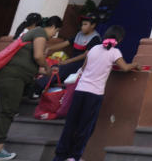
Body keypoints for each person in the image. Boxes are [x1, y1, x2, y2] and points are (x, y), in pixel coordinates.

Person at [0, 15, 63, 160]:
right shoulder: (40, 33)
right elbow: (38, 56)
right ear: (53, 26)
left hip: (8, 76)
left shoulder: (32, 34)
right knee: (7, 112)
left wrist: (44, 71)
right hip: (13, 78)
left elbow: (28, 63)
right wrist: (47, 67)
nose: (54, 34)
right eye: (56, 31)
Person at [52, 25, 136, 161]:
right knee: (85, 127)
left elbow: (84, 68)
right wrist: (135, 65)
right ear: (119, 39)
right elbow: (125, 68)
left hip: (80, 90)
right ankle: (74, 156)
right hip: (94, 94)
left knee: (71, 124)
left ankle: (60, 156)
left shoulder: (93, 49)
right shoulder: (115, 52)